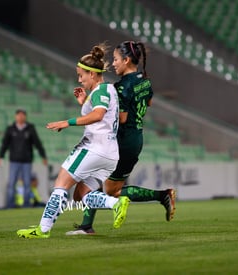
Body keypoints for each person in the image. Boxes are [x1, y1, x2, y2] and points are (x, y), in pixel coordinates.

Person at [17, 44, 130, 239]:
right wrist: (84, 101)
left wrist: (67, 122)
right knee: (80, 196)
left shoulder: (102, 91)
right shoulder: (105, 90)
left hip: (93, 148)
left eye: (81, 75)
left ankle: (42, 230)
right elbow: (102, 111)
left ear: (93, 74)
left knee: (61, 183)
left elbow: (98, 115)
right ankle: (115, 203)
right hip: (110, 154)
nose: (79, 79)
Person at [67, 41, 176, 235]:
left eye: (116, 60)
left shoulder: (122, 87)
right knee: (96, 180)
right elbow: (148, 101)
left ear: (126, 60)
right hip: (136, 138)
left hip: (122, 141)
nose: (113, 63)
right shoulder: (145, 79)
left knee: (111, 191)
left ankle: (162, 196)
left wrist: (87, 104)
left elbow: (121, 118)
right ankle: (86, 226)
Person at [0, 109, 47, 208]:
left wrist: (43, 156)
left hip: (27, 161)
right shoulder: (11, 129)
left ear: (25, 117)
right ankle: (10, 205)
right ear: (16, 117)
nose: (20, 117)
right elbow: (5, 144)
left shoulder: (30, 128)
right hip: (14, 161)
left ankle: (26, 205)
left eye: (22, 115)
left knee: (27, 184)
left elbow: (37, 143)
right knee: (12, 183)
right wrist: (0, 157)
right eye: (19, 115)